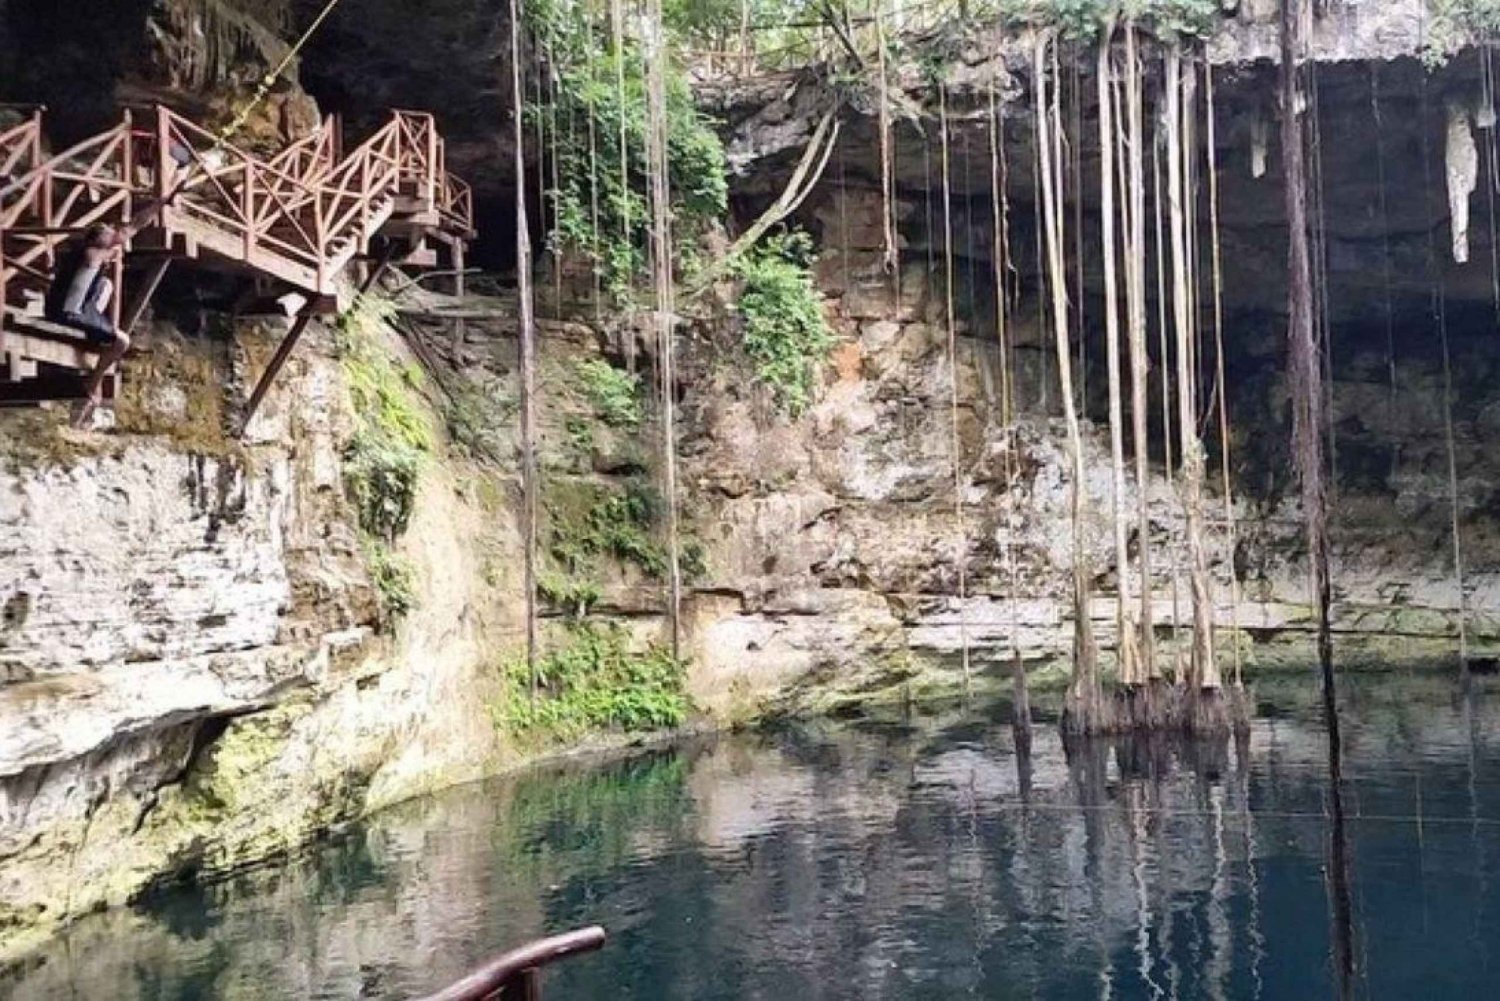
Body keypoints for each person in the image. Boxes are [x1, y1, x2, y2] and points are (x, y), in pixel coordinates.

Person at [45, 221, 137, 424]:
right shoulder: (90, 253)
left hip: (75, 307)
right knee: (122, 341)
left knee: (106, 284)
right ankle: (93, 382)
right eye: (108, 234)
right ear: (96, 238)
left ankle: (97, 334)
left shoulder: (91, 251)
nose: (113, 236)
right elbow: (116, 244)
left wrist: (159, 204)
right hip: (68, 313)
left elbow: (131, 228)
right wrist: (115, 251)